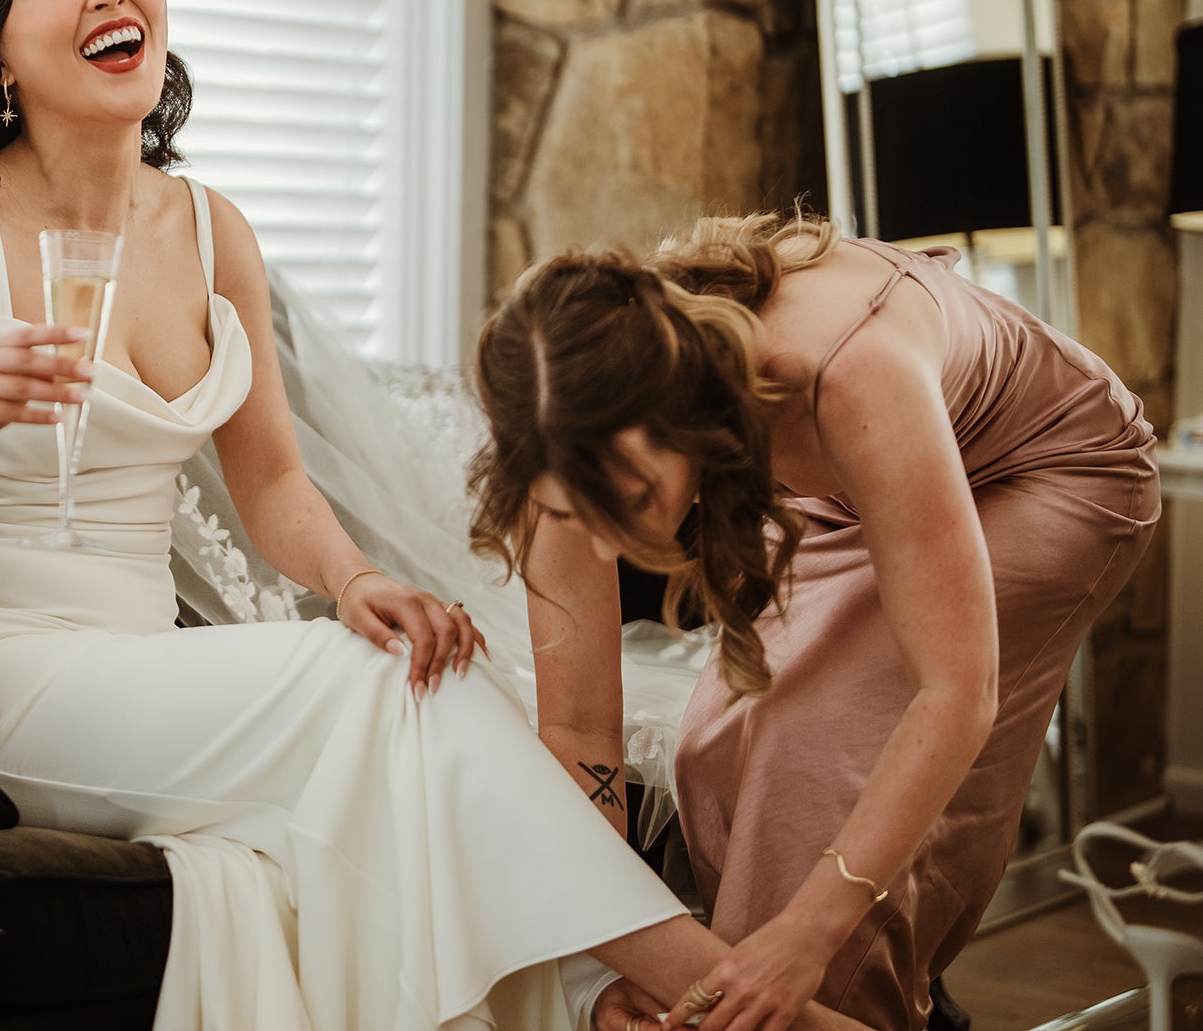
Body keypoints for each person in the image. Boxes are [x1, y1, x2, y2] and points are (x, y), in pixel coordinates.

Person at [0, 0, 868, 1030]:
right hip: (6, 682)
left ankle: (612, 998)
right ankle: (720, 996)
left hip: (145, 668)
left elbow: (275, 484)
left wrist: (353, 578)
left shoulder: (210, 230)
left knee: (414, 666)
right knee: (367, 687)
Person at [469, 215, 1160, 1030]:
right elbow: (581, 729)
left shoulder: (844, 369)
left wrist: (808, 934)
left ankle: (859, 997)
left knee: (810, 761)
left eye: (630, 498)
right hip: (845, 485)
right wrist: (605, 968)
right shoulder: (559, 439)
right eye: (570, 510)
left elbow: (954, 692)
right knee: (713, 748)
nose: (601, 540)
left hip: (1046, 469)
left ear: (682, 414)